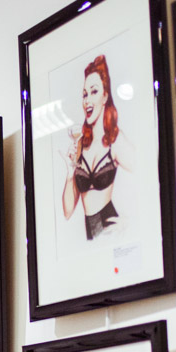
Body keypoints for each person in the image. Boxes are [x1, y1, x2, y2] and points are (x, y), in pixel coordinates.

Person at [61, 54, 135, 240]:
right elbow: (68, 212)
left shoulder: (114, 140)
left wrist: (130, 222)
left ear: (105, 96)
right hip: (91, 240)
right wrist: (70, 174)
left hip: (111, 235)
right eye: (84, 94)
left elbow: (148, 175)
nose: (87, 100)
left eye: (94, 92)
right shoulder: (80, 144)